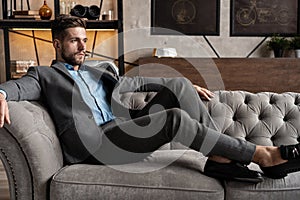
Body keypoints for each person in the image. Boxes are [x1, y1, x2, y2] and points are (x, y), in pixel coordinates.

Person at [0, 15, 299, 182]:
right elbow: (19, 88)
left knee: (178, 87)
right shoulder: (44, 75)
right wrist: (0, 93)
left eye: (85, 40)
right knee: (174, 119)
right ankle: (263, 155)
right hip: (94, 146)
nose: (82, 46)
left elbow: (136, 81)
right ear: (57, 43)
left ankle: (220, 156)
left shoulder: (95, 71)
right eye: (74, 40)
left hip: (120, 130)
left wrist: (186, 84)